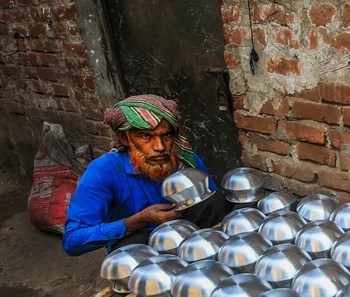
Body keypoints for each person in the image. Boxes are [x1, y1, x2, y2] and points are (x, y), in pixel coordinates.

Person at [62, 94, 232, 256]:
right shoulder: (103, 171)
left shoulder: (185, 161)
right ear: (125, 138)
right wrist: (137, 221)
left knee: (215, 201)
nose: (159, 146)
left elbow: (212, 204)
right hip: (143, 244)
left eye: (166, 135)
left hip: (190, 234)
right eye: (146, 136)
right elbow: (72, 241)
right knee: (127, 249)